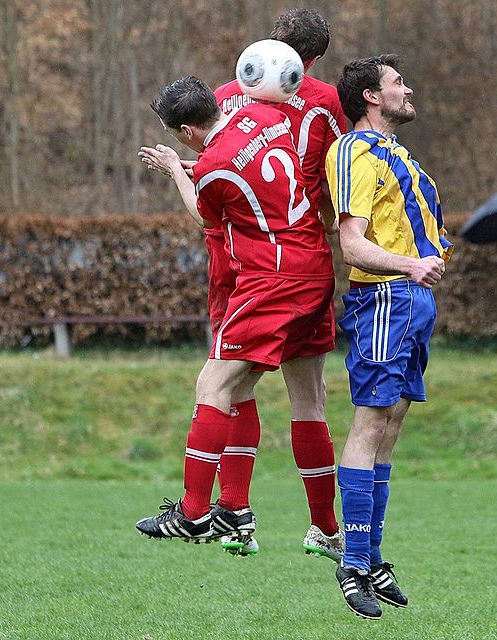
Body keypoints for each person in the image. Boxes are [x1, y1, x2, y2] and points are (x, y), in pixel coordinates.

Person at [139, 10, 347, 562]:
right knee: (308, 398)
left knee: (216, 385)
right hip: (311, 258)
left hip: (261, 271)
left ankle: (194, 512)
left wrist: (181, 171)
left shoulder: (222, 141)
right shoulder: (270, 115)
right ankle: (317, 527)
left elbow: (207, 209)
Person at [324, 54, 452, 620]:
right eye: (398, 82)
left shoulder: (395, 153)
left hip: (413, 302)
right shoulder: (352, 151)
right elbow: (350, 245)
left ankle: (370, 555)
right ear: (372, 97)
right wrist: (409, 266)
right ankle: (351, 561)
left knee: (391, 423)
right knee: (369, 420)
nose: (408, 88)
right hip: (383, 298)